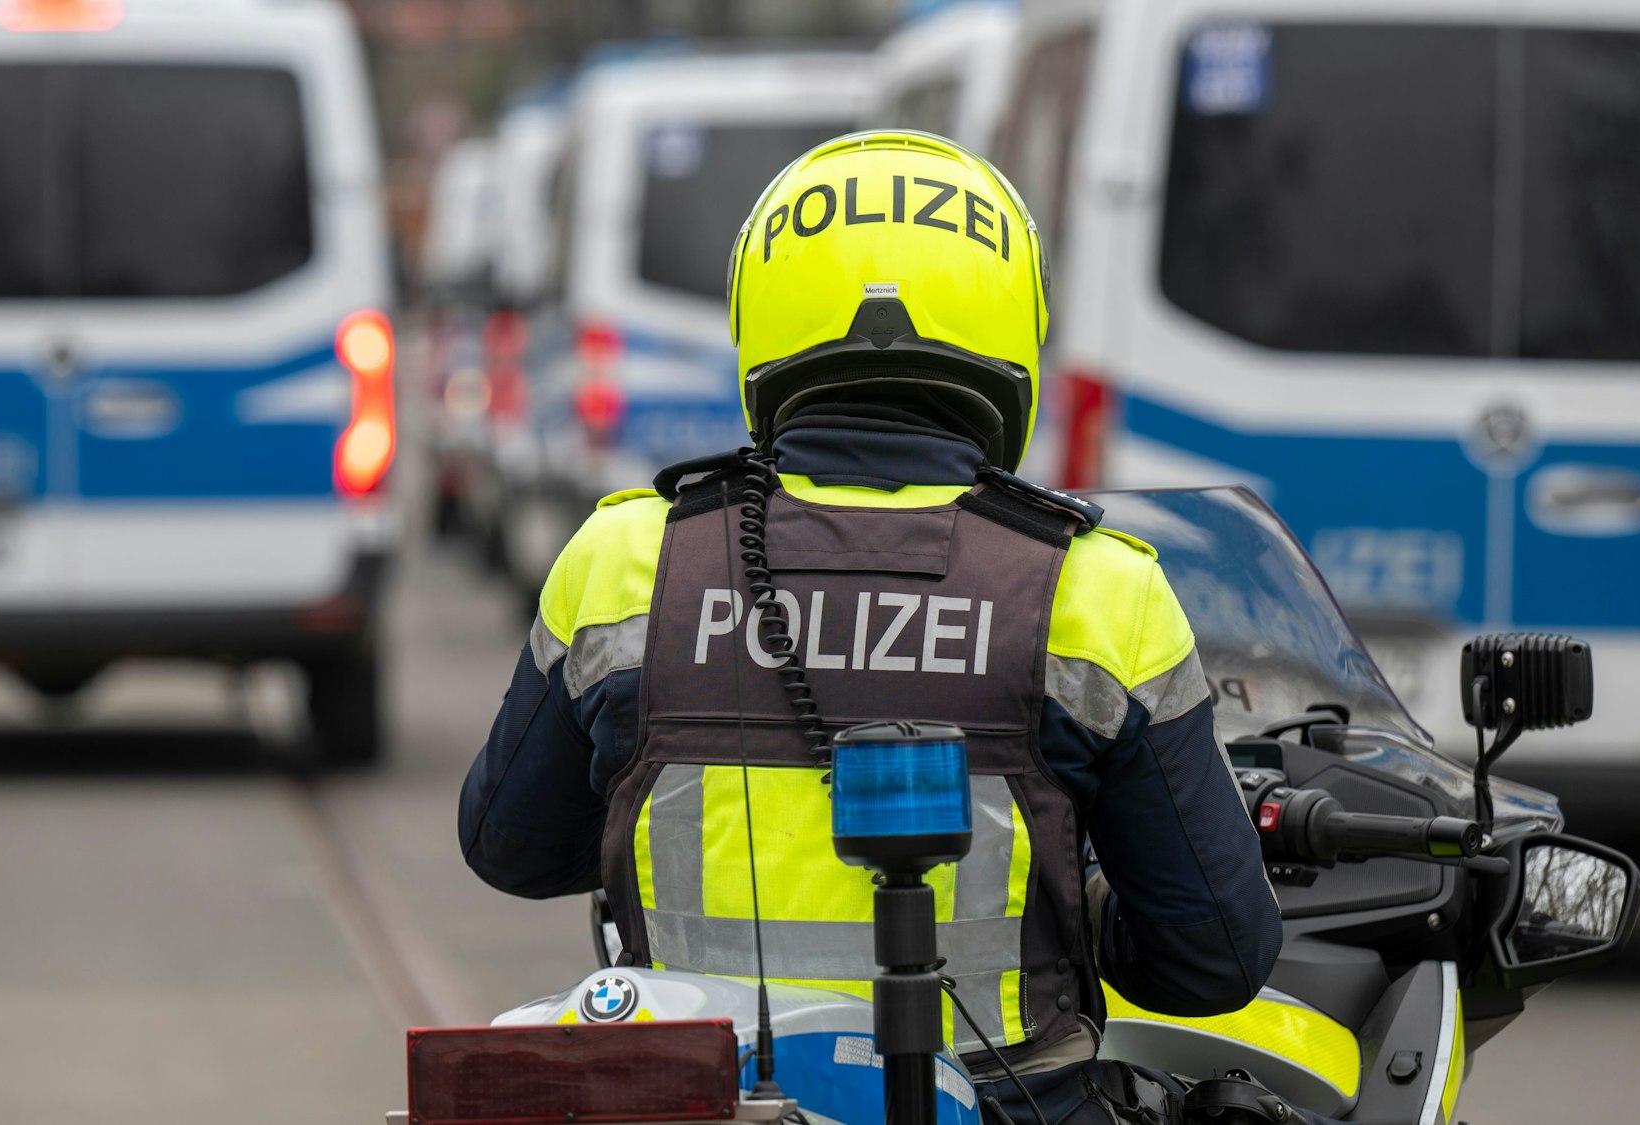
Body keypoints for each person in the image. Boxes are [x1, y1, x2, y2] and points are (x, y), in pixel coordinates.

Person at [459, 131, 1282, 1124]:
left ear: (759, 322)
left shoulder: (626, 563)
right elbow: (1212, 959)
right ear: (1011, 326)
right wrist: (1082, 896)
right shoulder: (1096, 592)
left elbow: (512, 848)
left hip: (704, 1103)